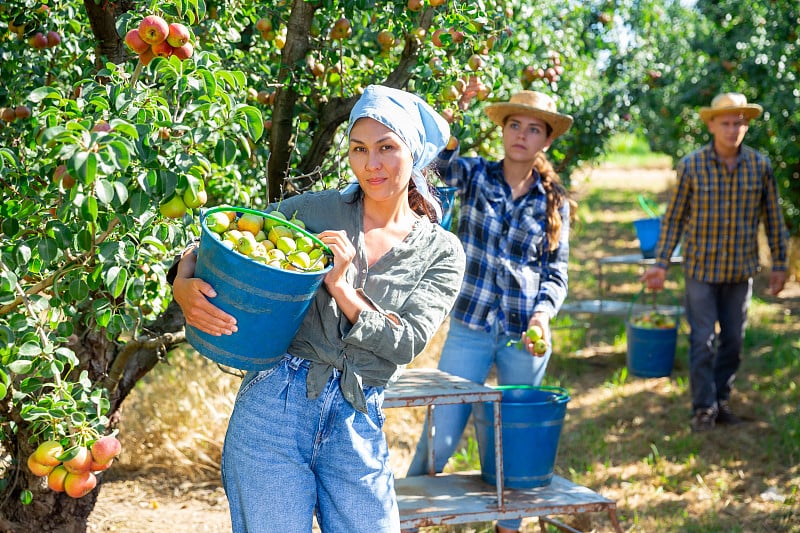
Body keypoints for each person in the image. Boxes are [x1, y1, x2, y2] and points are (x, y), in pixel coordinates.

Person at [170, 85, 466, 532]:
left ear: (414, 153)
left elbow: (405, 342)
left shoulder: (441, 251)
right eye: (359, 149)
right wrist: (182, 277)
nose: (372, 165)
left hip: (358, 415)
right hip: (275, 405)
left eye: (387, 148)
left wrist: (341, 285)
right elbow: (231, 238)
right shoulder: (314, 210)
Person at [406, 87, 575, 533]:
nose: (521, 135)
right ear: (502, 131)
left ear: (546, 140)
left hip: (525, 332)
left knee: (515, 441)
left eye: (533, 128)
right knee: (441, 430)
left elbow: (555, 274)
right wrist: (449, 116)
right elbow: (431, 165)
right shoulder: (476, 176)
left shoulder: (554, 200)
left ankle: (509, 526)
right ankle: (403, 520)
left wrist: (542, 316)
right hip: (472, 325)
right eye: (514, 125)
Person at [641, 92, 789, 433]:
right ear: (711, 124)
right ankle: (703, 407)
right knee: (702, 340)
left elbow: (773, 218)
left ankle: (721, 399)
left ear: (746, 126)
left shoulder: (759, 166)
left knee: (734, 341)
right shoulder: (692, 166)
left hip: (740, 270)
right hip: (701, 270)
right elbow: (675, 218)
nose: (733, 128)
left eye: (739, 122)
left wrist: (780, 264)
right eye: (726, 122)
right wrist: (660, 262)